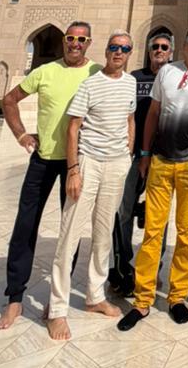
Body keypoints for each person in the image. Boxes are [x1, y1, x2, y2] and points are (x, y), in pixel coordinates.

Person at [118, 24, 188, 329]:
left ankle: (177, 296)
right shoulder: (167, 73)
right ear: (183, 45)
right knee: (153, 231)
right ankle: (142, 300)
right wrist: (144, 154)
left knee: (185, 232)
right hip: (162, 162)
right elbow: (153, 114)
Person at [0, 21, 99, 329]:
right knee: (25, 225)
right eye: (70, 38)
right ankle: (15, 299)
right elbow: (9, 100)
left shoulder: (96, 73)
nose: (75, 43)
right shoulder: (45, 71)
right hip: (42, 160)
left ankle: (57, 299)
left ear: (88, 43)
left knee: (70, 232)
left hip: (75, 163)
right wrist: (22, 135)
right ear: (64, 40)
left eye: (81, 39)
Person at [46, 31, 136, 340]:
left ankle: (94, 295)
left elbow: (130, 119)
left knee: (102, 235)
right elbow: (73, 128)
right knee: (70, 234)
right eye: (114, 47)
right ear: (107, 51)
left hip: (116, 164)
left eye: (124, 48)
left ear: (129, 53)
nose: (118, 52)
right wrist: (73, 170)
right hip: (88, 164)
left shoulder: (130, 83)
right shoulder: (90, 83)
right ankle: (57, 309)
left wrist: (127, 154)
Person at [108, 31, 174, 296]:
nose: (159, 50)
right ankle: (122, 266)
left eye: (164, 47)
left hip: (162, 157)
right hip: (132, 156)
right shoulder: (134, 78)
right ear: (149, 51)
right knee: (123, 212)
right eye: (155, 47)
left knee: (159, 217)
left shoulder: (175, 78)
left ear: (171, 52)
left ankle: (152, 269)